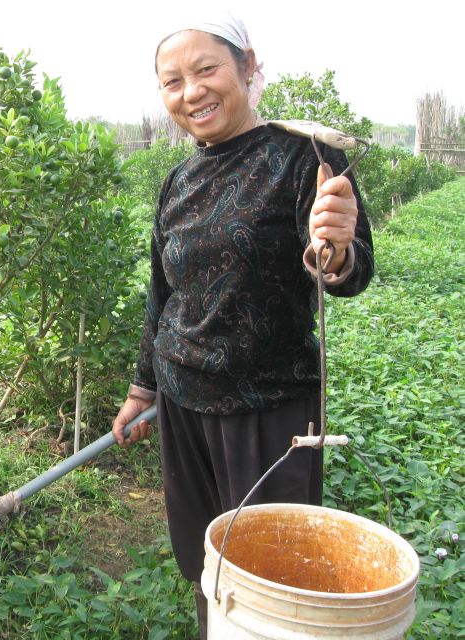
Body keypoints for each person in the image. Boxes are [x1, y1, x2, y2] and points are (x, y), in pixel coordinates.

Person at [111, 9, 374, 639]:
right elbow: (161, 295)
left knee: (275, 574)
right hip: (183, 404)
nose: (191, 91)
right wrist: (142, 389)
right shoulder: (177, 180)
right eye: (172, 81)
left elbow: (349, 266)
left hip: (269, 408)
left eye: (206, 70)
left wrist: (332, 249)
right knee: (209, 565)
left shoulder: (303, 158)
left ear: (248, 69)